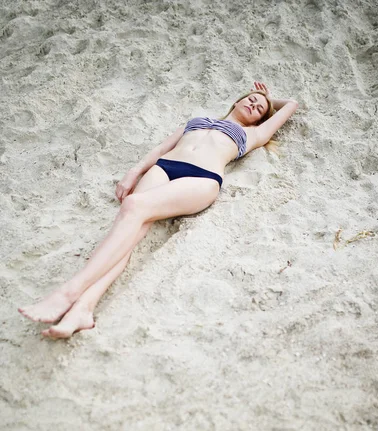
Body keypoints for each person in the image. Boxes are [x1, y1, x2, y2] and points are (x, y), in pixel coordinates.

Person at [18, 81, 299, 338]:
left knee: (133, 207)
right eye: (251, 99)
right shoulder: (197, 120)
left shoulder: (253, 134)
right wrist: (134, 171)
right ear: (237, 101)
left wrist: (270, 98)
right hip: (164, 168)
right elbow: (162, 147)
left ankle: (69, 292)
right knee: (128, 232)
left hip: (201, 178)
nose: (253, 104)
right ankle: (83, 310)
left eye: (259, 108)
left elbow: (292, 106)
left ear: (261, 118)